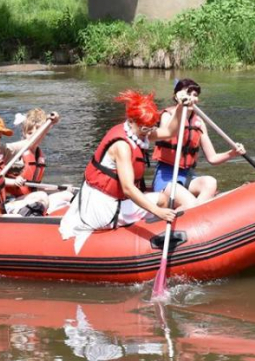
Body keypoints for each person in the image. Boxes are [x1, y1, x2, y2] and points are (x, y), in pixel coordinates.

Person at [59, 89, 196, 253]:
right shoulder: (122, 146)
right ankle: (152, 244)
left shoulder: (138, 132)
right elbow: (128, 189)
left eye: (150, 128)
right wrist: (158, 212)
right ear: (131, 121)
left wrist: (181, 108)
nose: (148, 132)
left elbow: (169, 132)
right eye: (145, 128)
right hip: (103, 207)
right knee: (161, 201)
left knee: (162, 199)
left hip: (114, 200)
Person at [152, 78, 246, 206]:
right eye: (188, 94)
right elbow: (166, 133)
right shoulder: (168, 116)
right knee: (191, 203)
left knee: (210, 182)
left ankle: (196, 212)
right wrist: (181, 106)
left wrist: (232, 153)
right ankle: (192, 210)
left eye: (194, 95)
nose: (191, 98)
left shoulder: (199, 123)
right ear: (177, 96)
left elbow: (212, 158)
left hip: (188, 176)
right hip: (167, 177)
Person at [5, 108, 75, 215]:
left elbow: (35, 187)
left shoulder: (38, 154)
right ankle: (37, 217)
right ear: (24, 133)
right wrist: (14, 181)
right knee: (41, 196)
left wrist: (58, 188)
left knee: (68, 193)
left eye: (37, 131)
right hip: (12, 201)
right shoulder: (17, 152)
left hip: (31, 197)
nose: (33, 135)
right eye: (29, 133)